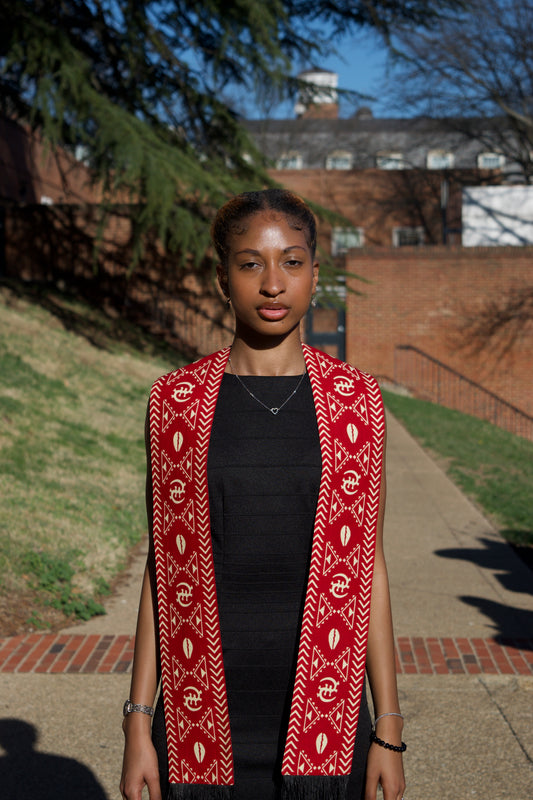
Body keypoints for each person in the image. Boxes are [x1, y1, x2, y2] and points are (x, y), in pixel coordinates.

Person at [120, 189, 406, 800]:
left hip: (327, 719)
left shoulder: (356, 402)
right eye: (251, 264)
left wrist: (388, 728)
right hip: (201, 721)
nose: (273, 284)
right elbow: (163, 571)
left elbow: (367, 567)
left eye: (292, 262)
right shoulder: (176, 403)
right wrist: (138, 724)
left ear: (315, 275)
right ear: (223, 279)